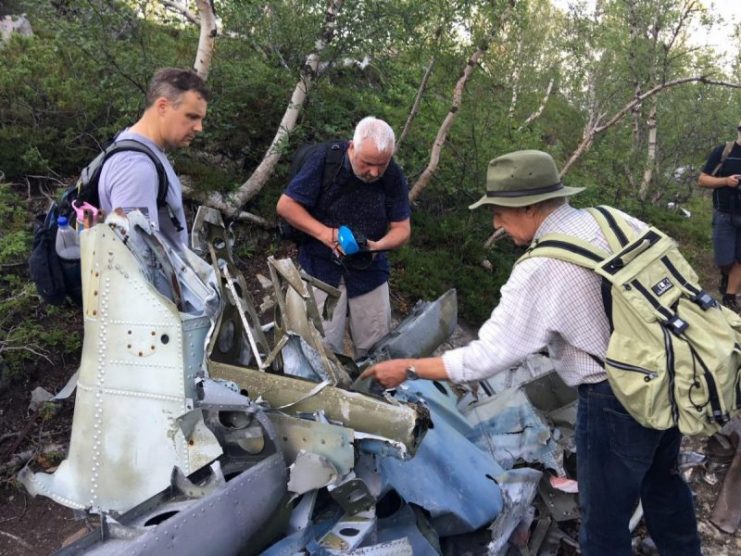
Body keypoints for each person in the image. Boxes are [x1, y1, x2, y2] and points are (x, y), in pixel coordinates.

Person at [361, 150, 702, 556]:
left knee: (604, 520)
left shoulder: (541, 267)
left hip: (615, 400)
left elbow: (486, 358)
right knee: (663, 484)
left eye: (500, 212)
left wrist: (409, 368)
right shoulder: (610, 219)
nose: (496, 223)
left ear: (529, 207)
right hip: (668, 373)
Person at [276, 116, 411, 358]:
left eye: (382, 164)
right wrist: (327, 234)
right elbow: (286, 205)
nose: (374, 172)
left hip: (370, 272)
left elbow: (402, 229)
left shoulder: (392, 175)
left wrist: (377, 246)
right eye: (367, 163)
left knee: (378, 351)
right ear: (352, 146)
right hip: (320, 269)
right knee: (319, 349)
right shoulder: (326, 160)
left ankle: (372, 393)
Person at [98, 68, 209, 248]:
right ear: (162, 107)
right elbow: (137, 255)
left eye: (201, 119)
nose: (199, 128)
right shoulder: (135, 168)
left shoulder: (144, 149)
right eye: (191, 117)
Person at [698, 123, 741, 311]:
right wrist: (726, 181)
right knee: (724, 260)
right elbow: (702, 180)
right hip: (724, 215)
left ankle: (730, 296)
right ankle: (725, 276)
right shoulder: (723, 151)